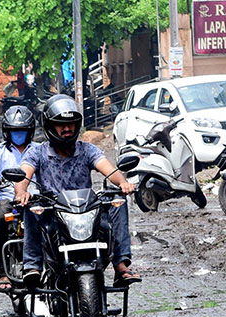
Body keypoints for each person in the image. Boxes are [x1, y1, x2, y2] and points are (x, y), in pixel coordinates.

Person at [13, 94, 138, 287]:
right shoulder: (37, 152)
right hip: (52, 213)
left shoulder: (87, 150)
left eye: (71, 124)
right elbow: (24, 173)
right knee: (31, 207)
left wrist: (122, 182)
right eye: (60, 125)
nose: (67, 129)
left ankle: (121, 265)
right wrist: (22, 191)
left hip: (87, 212)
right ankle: (32, 266)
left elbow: (108, 168)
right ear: (49, 126)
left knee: (118, 202)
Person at [0, 105, 37, 291]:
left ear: (30, 131)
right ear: (7, 131)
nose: (18, 133)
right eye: (14, 130)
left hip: (35, 200)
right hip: (8, 200)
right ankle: (2, 270)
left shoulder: (39, 150)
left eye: (22, 130)